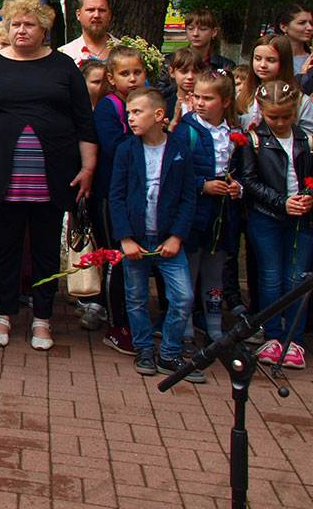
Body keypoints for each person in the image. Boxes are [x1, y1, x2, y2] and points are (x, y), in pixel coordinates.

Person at [0, 0, 97, 352]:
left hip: (52, 176)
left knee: (43, 248)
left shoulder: (63, 67)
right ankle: (4, 314)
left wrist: (87, 167)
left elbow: (83, 121)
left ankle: (43, 318)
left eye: (29, 24)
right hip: (3, 176)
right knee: (4, 246)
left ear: (44, 29)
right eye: (15, 24)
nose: (21, 30)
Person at [109, 89, 201, 381]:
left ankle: (170, 350)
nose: (130, 118)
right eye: (128, 113)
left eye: (137, 112)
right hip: (135, 239)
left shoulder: (179, 149)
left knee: (183, 297)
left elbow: (188, 198)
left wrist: (176, 236)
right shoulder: (126, 150)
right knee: (135, 298)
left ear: (159, 115)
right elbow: (117, 197)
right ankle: (144, 347)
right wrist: (125, 238)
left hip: (168, 240)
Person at [236, 81, 313, 369]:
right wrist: (282, 202)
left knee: (297, 278)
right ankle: (272, 335)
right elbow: (250, 181)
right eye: (273, 117)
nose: (280, 123)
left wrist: (307, 198)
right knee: (270, 275)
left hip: (301, 218)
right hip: (266, 216)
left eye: (285, 116)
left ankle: (294, 340)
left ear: (295, 112)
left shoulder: (306, 140)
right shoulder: (253, 140)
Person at [90, 45, 148, 351]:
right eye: (125, 73)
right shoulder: (108, 108)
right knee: (114, 256)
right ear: (112, 78)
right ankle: (116, 324)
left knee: (131, 258)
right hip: (109, 194)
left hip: (135, 194)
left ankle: (133, 318)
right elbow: (115, 148)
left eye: (137, 72)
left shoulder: (149, 106)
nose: (133, 78)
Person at [180, 68, 243, 343]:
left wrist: (237, 186)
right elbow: (177, 172)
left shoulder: (236, 132)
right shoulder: (187, 130)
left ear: (226, 102)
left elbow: (243, 171)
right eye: (197, 97)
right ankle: (183, 324)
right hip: (195, 210)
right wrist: (202, 185)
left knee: (215, 269)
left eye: (208, 98)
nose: (201, 103)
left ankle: (214, 323)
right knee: (189, 267)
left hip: (223, 212)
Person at [236, 35, 313, 130]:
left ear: (284, 62)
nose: (262, 65)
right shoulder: (241, 96)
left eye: (271, 60)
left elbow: (309, 136)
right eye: (257, 58)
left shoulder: (301, 101)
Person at [59, 0, 116, 64]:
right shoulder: (64, 54)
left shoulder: (128, 50)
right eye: (91, 10)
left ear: (109, 15)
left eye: (102, 10)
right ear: (78, 15)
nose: (96, 15)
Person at [165, 47, 206, 129]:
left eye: (195, 71)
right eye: (184, 71)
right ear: (172, 72)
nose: (190, 77)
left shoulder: (207, 103)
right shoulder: (165, 105)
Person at [184, 8, 235, 73]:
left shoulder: (226, 65)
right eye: (190, 28)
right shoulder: (173, 61)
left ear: (214, 32)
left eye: (202, 29)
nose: (195, 34)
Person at [278, 4, 313, 78]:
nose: (310, 28)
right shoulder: (271, 56)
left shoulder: (310, 59)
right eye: (302, 23)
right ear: (283, 27)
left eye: (311, 23)